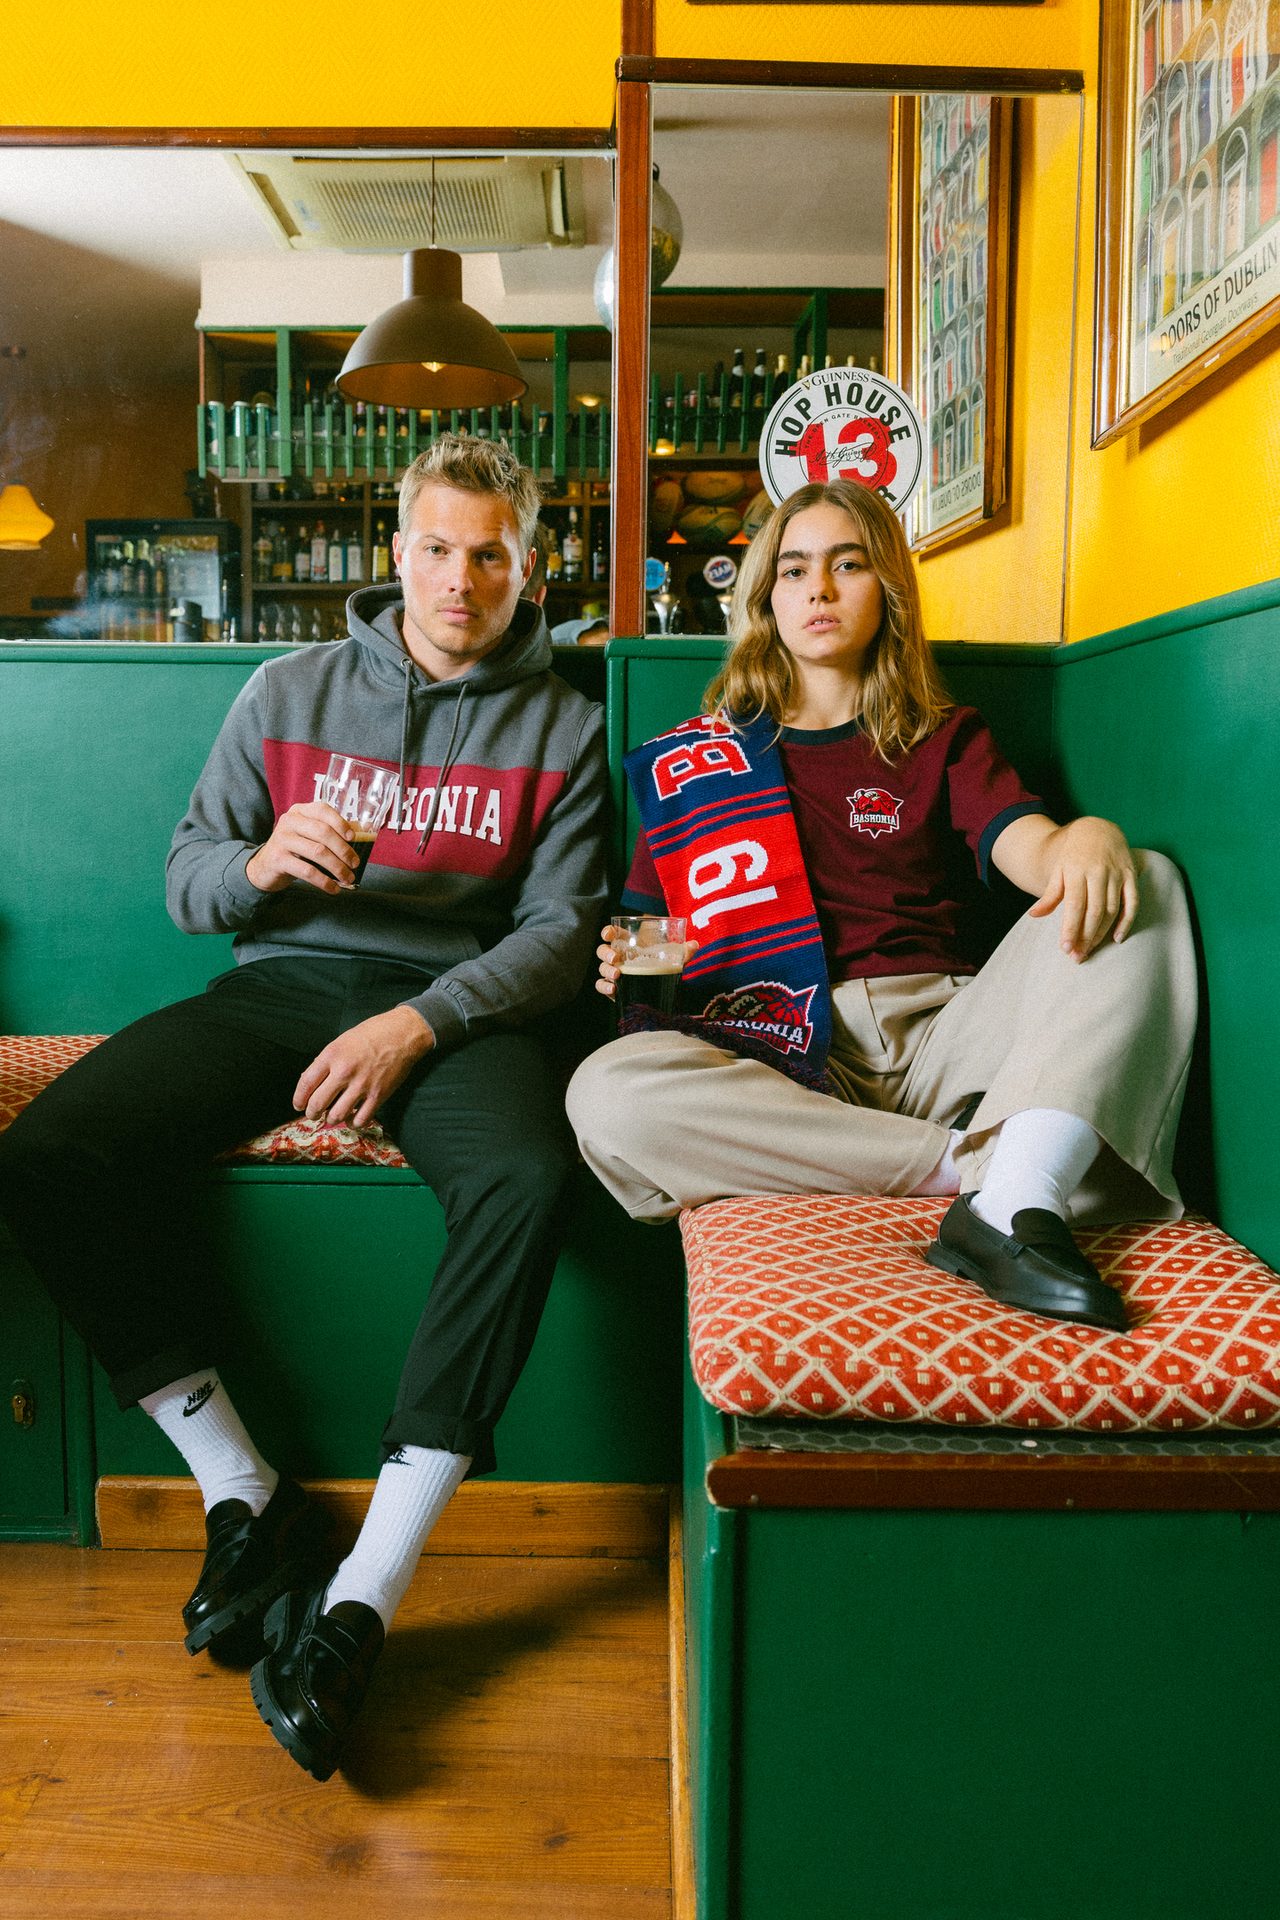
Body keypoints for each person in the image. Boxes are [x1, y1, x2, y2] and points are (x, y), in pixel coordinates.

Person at [0, 433, 608, 1781]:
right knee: (52, 1152)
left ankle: (362, 1598)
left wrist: (414, 1024)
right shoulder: (287, 688)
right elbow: (187, 876)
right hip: (282, 986)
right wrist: (262, 864)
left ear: (528, 565)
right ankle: (242, 1493)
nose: (464, 578)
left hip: (462, 1013)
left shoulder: (567, 721)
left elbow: (564, 935)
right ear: (399, 553)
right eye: (440, 549)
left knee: (527, 1176)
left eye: (493, 554)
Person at [567, 479, 1197, 1331]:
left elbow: (1033, 853)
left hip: (948, 1039)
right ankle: (989, 1178)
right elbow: (661, 948)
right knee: (604, 1092)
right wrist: (633, 965)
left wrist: (1081, 840)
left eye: (847, 563)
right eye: (793, 570)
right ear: (767, 599)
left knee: (1143, 881)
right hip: (781, 1063)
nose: (818, 589)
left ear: (887, 589)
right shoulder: (698, 765)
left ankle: (1009, 1183)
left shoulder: (943, 736)